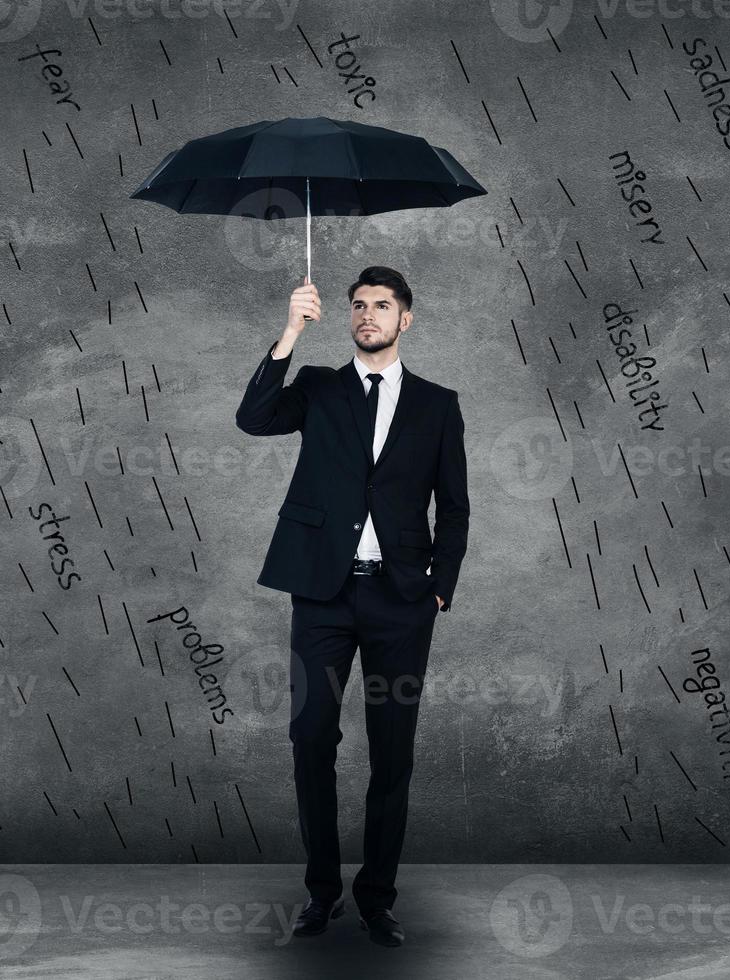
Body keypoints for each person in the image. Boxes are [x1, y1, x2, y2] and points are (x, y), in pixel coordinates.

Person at [234, 265, 470, 947]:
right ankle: (320, 891)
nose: (368, 315)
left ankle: (375, 897)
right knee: (311, 737)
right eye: (358, 305)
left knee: (392, 752)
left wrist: (439, 585)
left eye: (383, 305)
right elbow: (252, 418)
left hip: (401, 600)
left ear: (406, 319)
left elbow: (453, 507)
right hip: (323, 595)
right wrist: (288, 333)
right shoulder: (317, 388)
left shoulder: (436, 404)